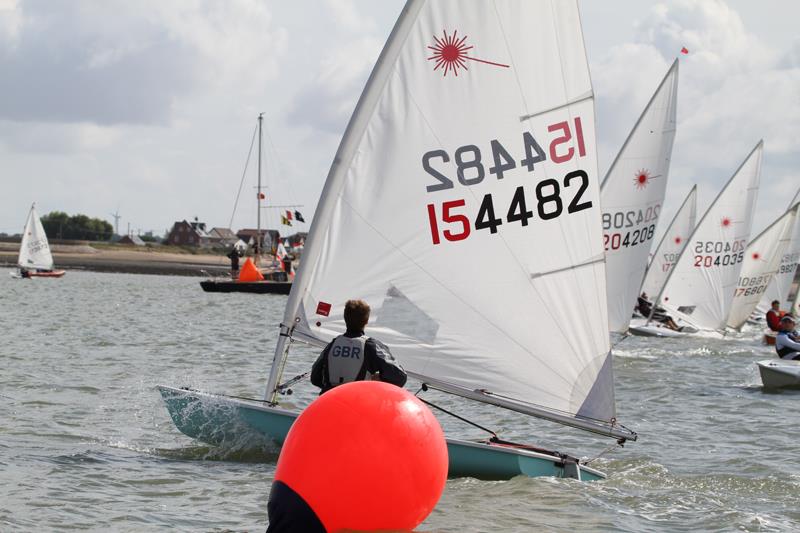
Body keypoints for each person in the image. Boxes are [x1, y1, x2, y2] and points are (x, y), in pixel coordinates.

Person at [310, 299, 407, 393]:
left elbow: (315, 378)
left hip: (330, 401)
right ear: (366, 321)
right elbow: (400, 377)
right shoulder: (370, 346)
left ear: (345, 318)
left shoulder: (332, 344)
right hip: (356, 402)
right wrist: (379, 379)